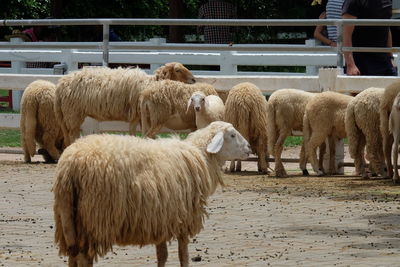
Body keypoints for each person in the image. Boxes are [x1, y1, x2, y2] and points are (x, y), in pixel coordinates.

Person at [342, 0, 396, 76]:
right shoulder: (353, 1)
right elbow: (346, 34)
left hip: (385, 61)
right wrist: (350, 65)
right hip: (362, 62)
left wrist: (390, 57)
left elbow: (386, 28)